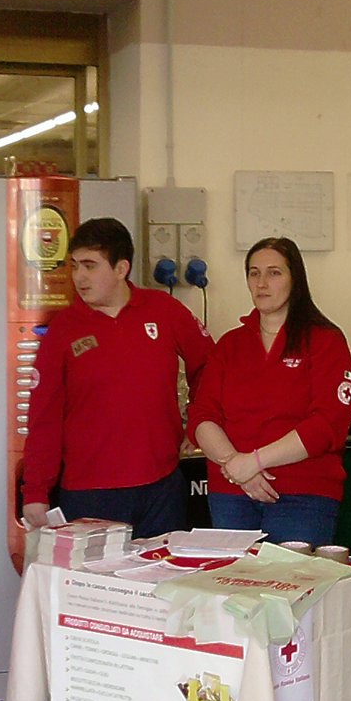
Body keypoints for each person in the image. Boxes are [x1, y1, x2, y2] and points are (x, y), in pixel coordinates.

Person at [21, 217, 213, 538]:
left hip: (161, 486)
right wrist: (36, 492)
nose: (79, 276)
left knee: (161, 583)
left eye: (90, 266)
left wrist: (199, 421)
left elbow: (210, 365)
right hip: (89, 492)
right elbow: (44, 418)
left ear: (121, 268)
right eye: (74, 265)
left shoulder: (164, 310)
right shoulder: (63, 330)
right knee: (97, 587)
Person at [188, 236, 351, 546]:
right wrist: (238, 466)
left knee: (291, 590)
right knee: (235, 590)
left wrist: (255, 462)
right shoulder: (230, 345)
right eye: (254, 273)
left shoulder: (324, 341)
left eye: (274, 273)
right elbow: (201, 417)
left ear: (295, 280)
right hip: (231, 493)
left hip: (301, 494)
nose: (262, 283)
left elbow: (326, 424)